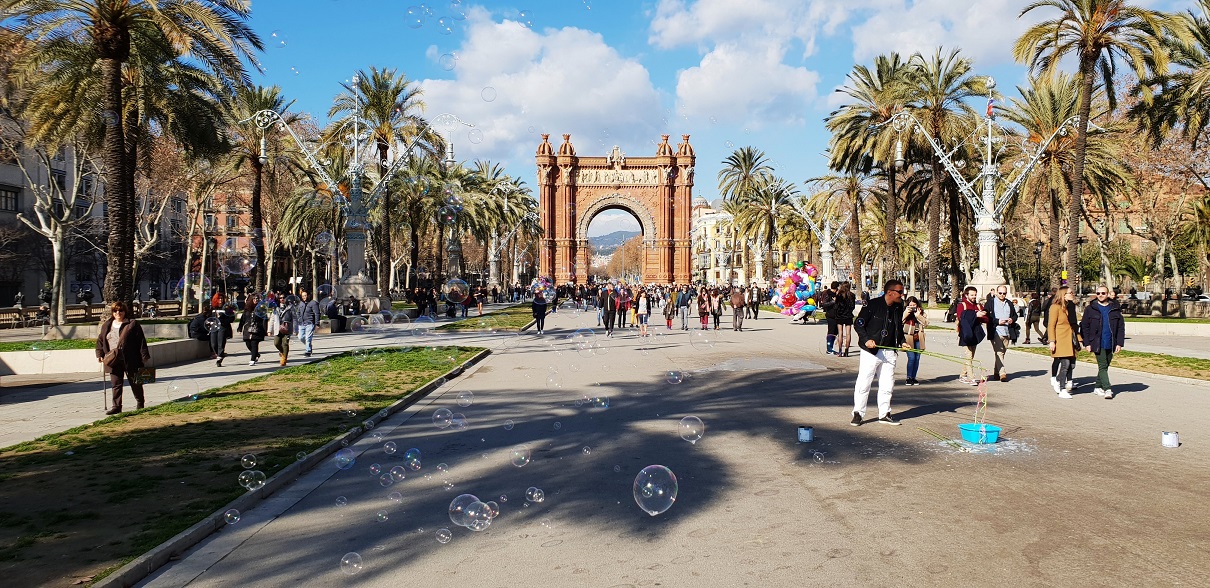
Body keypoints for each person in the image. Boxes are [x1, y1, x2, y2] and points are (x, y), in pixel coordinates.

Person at [850, 279, 909, 426]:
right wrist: (866, 339)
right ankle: (858, 413)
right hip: (871, 351)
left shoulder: (898, 307)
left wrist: (902, 342)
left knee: (887, 384)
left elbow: (898, 328)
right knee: (864, 382)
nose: (902, 295)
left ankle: (885, 413)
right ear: (890, 292)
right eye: (900, 292)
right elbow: (858, 323)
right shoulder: (873, 305)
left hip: (890, 351)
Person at [95, 301, 152, 415]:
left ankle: (140, 403)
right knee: (116, 384)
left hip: (130, 358)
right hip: (113, 359)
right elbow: (100, 341)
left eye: (121, 310)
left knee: (135, 382)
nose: (118, 313)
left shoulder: (132, 324)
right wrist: (99, 354)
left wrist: (144, 355)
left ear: (125, 311)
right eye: (115, 311)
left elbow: (141, 341)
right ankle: (116, 406)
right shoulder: (107, 325)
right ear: (112, 312)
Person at [1080, 285, 1125, 399]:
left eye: (1103, 293)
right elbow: (1084, 326)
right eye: (1098, 293)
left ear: (1108, 294)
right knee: (1103, 365)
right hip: (1097, 342)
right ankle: (1107, 388)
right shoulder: (1090, 309)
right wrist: (1087, 343)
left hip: (1111, 341)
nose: (1100, 295)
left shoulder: (1114, 308)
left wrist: (1119, 343)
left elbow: (1120, 327)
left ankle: (1097, 386)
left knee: (1105, 365)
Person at [1048, 286, 1080, 398]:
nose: (1073, 294)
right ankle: (1062, 389)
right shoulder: (1055, 307)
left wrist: (1079, 339)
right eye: (1070, 292)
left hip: (1070, 339)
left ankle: (1058, 380)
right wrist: (1052, 341)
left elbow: (1074, 324)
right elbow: (1051, 325)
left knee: (1071, 364)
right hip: (1060, 339)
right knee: (1065, 363)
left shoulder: (1069, 307)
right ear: (1063, 294)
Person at [984, 286, 1018, 382]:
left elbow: (1015, 315)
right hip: (995, 330)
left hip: (1007, 331)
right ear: (996, 293)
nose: (1002, 295)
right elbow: (987, 317)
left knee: (1002, 353)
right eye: (1000, 293)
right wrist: (997, 321)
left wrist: (1012, 319)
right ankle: (1002, 373)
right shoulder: (990, 303)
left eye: (1004, 293)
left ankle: (996, 372)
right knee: (999, 352)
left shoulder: (1009, 303)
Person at [956, 286, 988, 385]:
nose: (974, 297)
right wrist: (975, 315)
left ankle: (962, 375)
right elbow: (961, 317)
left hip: (975, 334)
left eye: (975, 295)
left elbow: (986, 319)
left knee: (970, 356)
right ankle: (971, 378)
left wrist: (982, 316)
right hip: (965, 333)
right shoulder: (962, 305)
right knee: (968, 355)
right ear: (966, 295)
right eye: (972, 295)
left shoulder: (978, 306)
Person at [902, 296, 928, 386]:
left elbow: (926, 323)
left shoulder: (921, 312)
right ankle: (909, 377)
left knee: (917, 358)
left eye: (914, 305)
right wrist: (906, 312)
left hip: (918, 337)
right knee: (911, 358)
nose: (913, 307)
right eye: (911, 305)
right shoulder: (905, 312)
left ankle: (914, 377)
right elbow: (899, 321)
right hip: (908, 337)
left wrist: (918, 316)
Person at [237, 295, 266, 366]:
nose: (256, 300)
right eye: (254, 299)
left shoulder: (261, 309)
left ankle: (252, 359)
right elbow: (242, 319)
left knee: (254, 343)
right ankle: (256, 354)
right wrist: (240, 327)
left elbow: (264, 320)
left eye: (257, 299)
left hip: (257, 329)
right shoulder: (247, 309)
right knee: (248, 343)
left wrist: (265, 330)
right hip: (247, 329)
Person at [209, 293, 234, 367]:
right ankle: (218, 353)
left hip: (223, 327)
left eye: (221, 298)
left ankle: (219, 358)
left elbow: (231, 318)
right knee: (213, 344)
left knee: (221, 343)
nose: (220, 300)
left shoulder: (227, 308)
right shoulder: (213, 308)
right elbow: (208, 317)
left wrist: (223, 320)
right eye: (219, 298)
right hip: (214, 327)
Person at [834, 282, 856, 356]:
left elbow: (836, 306)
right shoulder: (852, 295)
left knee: (840, 333)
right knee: (848, 333)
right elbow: (853, 306)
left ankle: (840, 350)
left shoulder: (839, 295)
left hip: (840, 315)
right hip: (848, 315)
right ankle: (847, 350)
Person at [297, 289, 320, 357]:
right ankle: (309, 345)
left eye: (306, 295)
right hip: (302, 323)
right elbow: (298, 312)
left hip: (310, 323)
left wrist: (317, 323)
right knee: (300, 337)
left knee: (308, 338)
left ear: (309, 295)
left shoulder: (313, 303)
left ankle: (308, 351)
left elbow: (317, 313)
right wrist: (299, 318)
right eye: (303, 296)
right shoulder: (301, 303)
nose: (305, 297)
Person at [271, 299, 295, 366]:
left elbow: (294, 318)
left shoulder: (290, 308)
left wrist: (295, 329)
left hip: (287, 329)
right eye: (280, 297)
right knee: (276, 343)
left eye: (283, 297)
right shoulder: (275, 308)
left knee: (285, 344)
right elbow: (272, 319)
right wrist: (269, 330)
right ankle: (282, 352)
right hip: (278, 329)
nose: (282, 299)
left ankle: (284, 359)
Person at [820, 281, 839, 353]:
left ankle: (831, 346)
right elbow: (824, 304)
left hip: (836, 315)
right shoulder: (827, 293)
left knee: (836, 331)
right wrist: (833, 302)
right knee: (831, 330)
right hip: (830, 314)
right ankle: (829, 348)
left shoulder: (837, 294)